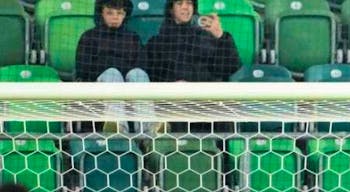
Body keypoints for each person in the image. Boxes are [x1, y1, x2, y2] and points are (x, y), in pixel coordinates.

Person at [75, 0, 150, 133]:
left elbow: (141, 65)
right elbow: (83, 69)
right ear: (101, 14)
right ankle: (118, 128)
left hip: (129, 88)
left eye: (120, 13)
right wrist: (115, 69)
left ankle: (149, 131)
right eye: (110, 13)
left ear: (125, 15)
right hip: (98, 88)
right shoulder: (89, 37)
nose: (115, 17)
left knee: (138, 73)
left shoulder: (133, 38)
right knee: (112, 73)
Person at [144, 0, 241, 82]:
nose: (185, 7)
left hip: (204, 98)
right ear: (171, 9)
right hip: (169, 99)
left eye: (189, 3)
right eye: (179, 3)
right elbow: (151, 77)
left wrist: (221, 36)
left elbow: (230, 68)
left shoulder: (206, 37)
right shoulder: (157, 42)